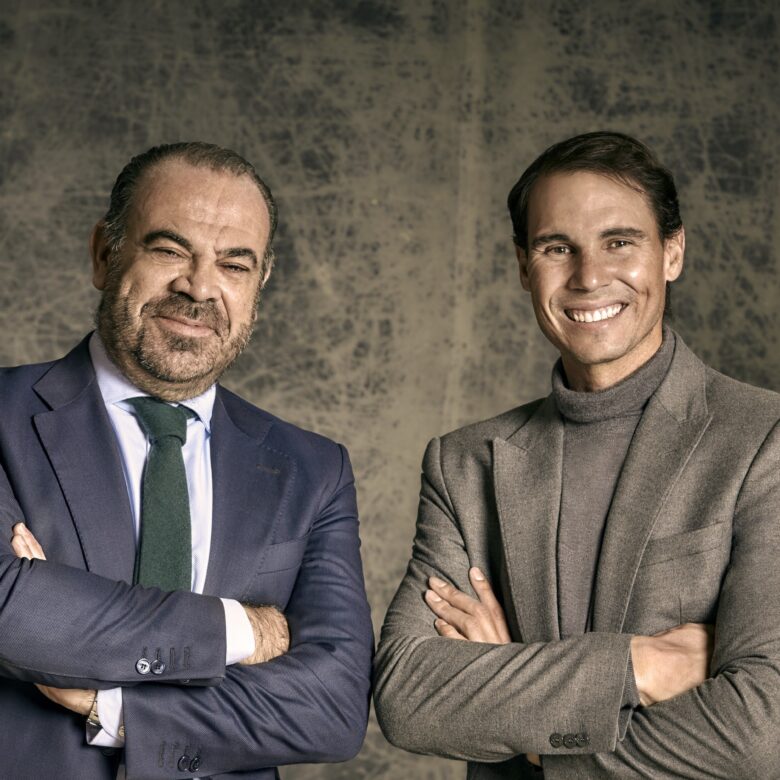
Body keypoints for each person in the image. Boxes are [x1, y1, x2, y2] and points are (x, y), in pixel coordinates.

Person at [374, 131, 780, 778]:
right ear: (523, 266)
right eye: (557, 248)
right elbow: (409, 698)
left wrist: (536, 740)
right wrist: (638, 665)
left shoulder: (764, 438)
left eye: (619, 242)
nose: (589, 277)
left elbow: (762, 730)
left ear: (673, 252)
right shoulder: (465, 464)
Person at [0, 142, 373, 779]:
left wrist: (111, 706)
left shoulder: (313, 470)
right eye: (170, 250)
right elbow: (9, 610)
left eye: (234, 264)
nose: (198, 287)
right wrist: (241, 629)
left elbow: (333, 707)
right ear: (104, 255)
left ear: (258, 286)